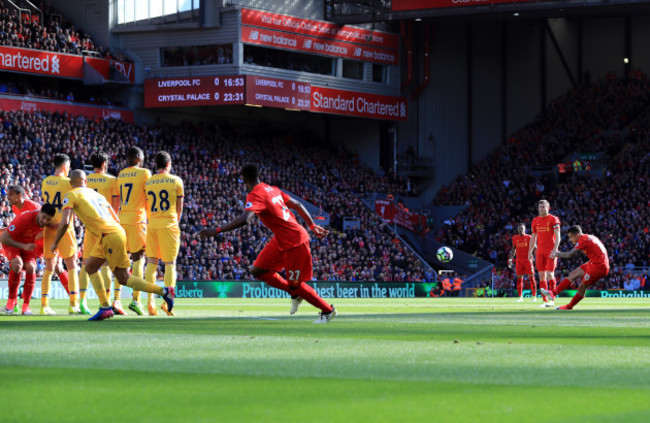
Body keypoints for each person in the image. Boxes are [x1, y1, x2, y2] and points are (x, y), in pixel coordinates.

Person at [198, 163, 337, 323]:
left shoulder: (255, 194)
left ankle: (327, 310)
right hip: (281, 239)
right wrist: (312, 225)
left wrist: (216, 231)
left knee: (296, 285)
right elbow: (298, 205)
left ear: (244, 180)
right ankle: (294, 293)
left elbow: (246, 219)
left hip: (294, 241)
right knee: (257, 270)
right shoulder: (272, 189)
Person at [51, 170, 174, 321]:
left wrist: (55, 243)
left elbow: (64, 222)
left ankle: (163, 291)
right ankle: (105, 307)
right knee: (90, 267)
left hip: (108, 236)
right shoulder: (98, 195)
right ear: (86, 182)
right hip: (113, 232)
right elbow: (115, 217)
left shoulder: (71, 195)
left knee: (123, 278)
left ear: (71, 183)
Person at [79, 152, 120, 315]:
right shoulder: (112, 180)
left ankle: (81, 301)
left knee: (85, 264)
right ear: (104, 163)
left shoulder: (85, 181)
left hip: (90, 227)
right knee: (105, 265)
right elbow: (115, 208)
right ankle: (107, 300)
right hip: (106, 226)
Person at [143, 151, 183, 316]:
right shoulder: (176, 181)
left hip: (152, 225)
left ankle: (150, 304)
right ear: (168, 164)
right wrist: (175, 222)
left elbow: (146, 205)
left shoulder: (149, 182)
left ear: (156, 164)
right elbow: (179, 207)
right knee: (169, 264)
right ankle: (168, 305)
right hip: (169, 225)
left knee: (151, 263)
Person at [41, 154, 79, 315]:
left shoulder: (45, 181)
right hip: (64, 228)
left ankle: (44, 306)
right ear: (65, 166)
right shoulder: (69, 183)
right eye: (69, 166)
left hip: (48, 228)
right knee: (72, 266)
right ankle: (73, 304)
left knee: (49, 269)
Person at [1, 205, 56, 315]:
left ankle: (26, 305)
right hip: (12, 242)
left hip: (27, 243)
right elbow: (3, 238)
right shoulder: (24, 219)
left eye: (48, 219)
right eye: (43, 217)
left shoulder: (48, 223)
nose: (45, 221)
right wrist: (23, 245)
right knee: (17, 265)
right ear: (39, 212)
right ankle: (11, 302)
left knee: (32, 267)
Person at [541, 225, 610, 310]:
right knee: (573, 274)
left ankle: (569, 306)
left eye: (571, 237)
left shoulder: (583, 240)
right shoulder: (589, 237)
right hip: (594, 262)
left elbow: (569, 254)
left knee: (582, 287)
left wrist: (556, 254)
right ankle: (553, 293)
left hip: (599, 267)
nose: (570, 240)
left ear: (577, 235)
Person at [117, 146, 151, 315]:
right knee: (139, 259)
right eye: (143, 158)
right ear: (138, 158)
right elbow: (149, 196)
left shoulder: (121, 174)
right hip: (137, 221)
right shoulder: (145, 173)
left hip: (122, 220)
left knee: (119, 261)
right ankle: (136, 300)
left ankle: (115, 300)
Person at [528, 199, 560, 308]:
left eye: (543, 207)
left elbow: (558, 236)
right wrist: (530, 252)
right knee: (541, 276)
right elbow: (533, 237)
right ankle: (545, 300)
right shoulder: (535, 220)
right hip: (540, 252)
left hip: (551, 251)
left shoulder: (553, 219)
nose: (541, 209)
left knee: (550, 274)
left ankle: (552, 299)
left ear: (548, 208)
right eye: (540, 207)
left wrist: (555, 250)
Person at [508, 223, 537, 302]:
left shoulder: (529, 237)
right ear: (517, 230)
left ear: (525, 229)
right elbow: (513, 250)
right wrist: (510, 259)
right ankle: (520, 297)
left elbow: (535, 247)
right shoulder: (515, 238)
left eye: (522, 228)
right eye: (519, 228)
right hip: (519, 261)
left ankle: (534, 297)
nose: (520, 230)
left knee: (531, 278)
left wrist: (535, 256)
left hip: (528, 260)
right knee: (519, 279)